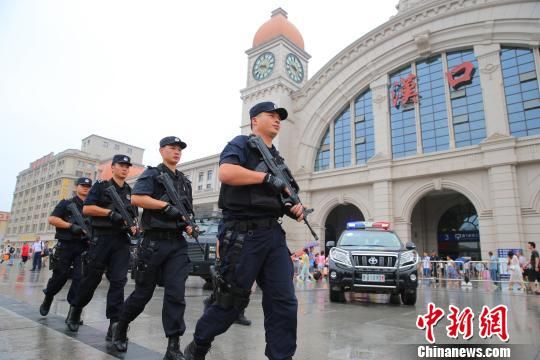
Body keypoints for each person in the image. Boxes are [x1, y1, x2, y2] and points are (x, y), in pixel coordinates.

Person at [184, 101, 305, 360]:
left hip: (273, 236)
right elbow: (226, 173)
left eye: (279, 117)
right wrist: (265, 178)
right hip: (242, 235)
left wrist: (293, 208)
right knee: (230, 303)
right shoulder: (240, 144)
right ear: (254, 121)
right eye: (270, 115)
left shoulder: (278, 160)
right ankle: (198, 347)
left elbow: (283, 197)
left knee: (284, 302)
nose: (276, 120)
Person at [111, 137, 194, 358]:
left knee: (176, 294)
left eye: (179, 149)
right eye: (172, 148)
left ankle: (173, 346)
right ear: (161, 151)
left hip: (177, 243)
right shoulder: (152, 174)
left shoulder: (184, 181)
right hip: (154, 242)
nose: (176, 152)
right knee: (142, 294)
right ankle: (121, 327)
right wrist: (165, 207)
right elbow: (136, 198)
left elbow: (188, 212)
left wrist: (189, 226)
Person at [66, 155, 139, 342]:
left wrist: (134, 227)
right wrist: (110, 213)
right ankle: (76, 309)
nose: (124, 169)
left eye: (127, 166)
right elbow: (87, 209)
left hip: (121, 241)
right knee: (91, 280)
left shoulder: (129, 191)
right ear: (113, 168)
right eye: (121, 165)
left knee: (118, 281)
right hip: (101, 239)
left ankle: (114, 324)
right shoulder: (100, 186)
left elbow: (133, 217)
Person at [39, 177, 92, 317]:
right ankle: (49, 296)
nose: (86, 187)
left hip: (84, 246)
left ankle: (73, 312)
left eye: (88, 186)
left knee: (80, 279)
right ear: (76, 187)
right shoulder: (66, 203)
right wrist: (70, 226)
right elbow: (52, 219)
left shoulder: (91, 206)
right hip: (66, 245)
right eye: (83, 185)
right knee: (60, 276)